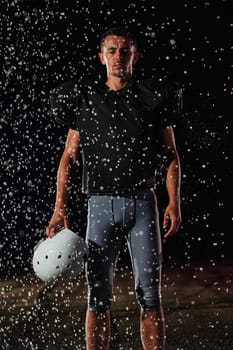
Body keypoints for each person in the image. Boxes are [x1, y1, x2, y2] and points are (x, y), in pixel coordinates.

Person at [46, 27, 182, 350]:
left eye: (125, 50)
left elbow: (172, 156)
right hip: (100, 208)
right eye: (112, 50)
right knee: (98, 297)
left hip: (143, 206)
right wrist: (59, 207)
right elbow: (68, 157)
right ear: (101, 57)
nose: (118, 57)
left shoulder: (151, 98)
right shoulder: (87, 100)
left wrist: (174, 202)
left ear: (135, 55)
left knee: (150, 295)